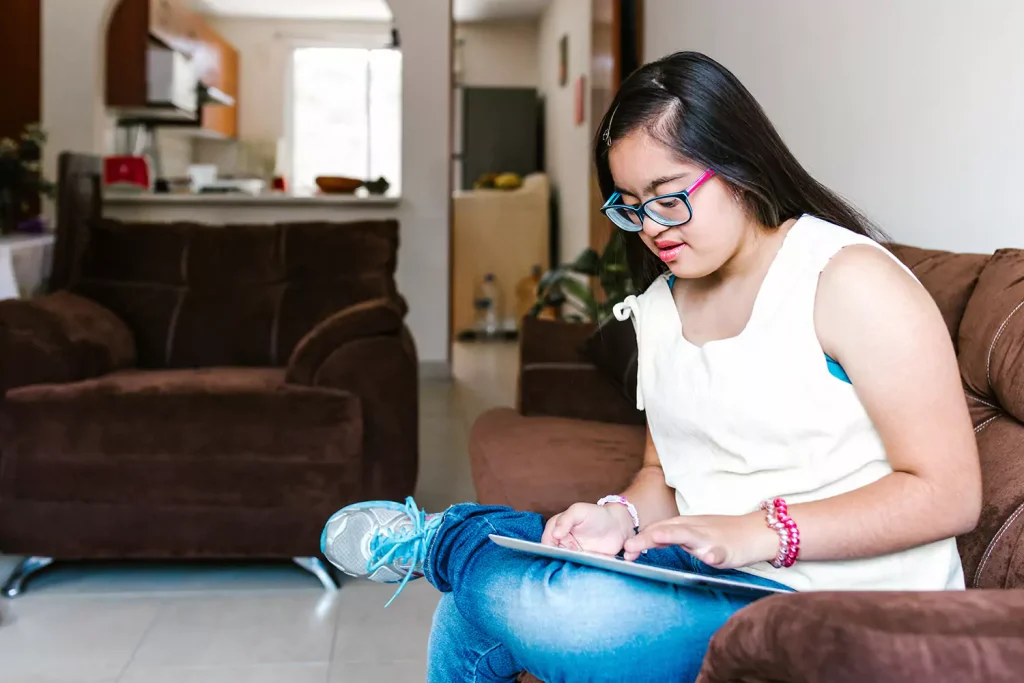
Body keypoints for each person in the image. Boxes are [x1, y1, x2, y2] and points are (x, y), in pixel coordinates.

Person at [319, 51, 982, 682]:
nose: (653, 227)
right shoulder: (665, 303)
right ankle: (469, 548)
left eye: (669, 196)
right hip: (707, 576)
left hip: (843, 600)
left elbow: (949, 491)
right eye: (631, 205)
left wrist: (757, 531)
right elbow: (664, 473)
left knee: (566, 616)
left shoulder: (846, 280)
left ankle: (451, 537)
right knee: (470, 609)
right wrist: (619, 516)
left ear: (740, 165)